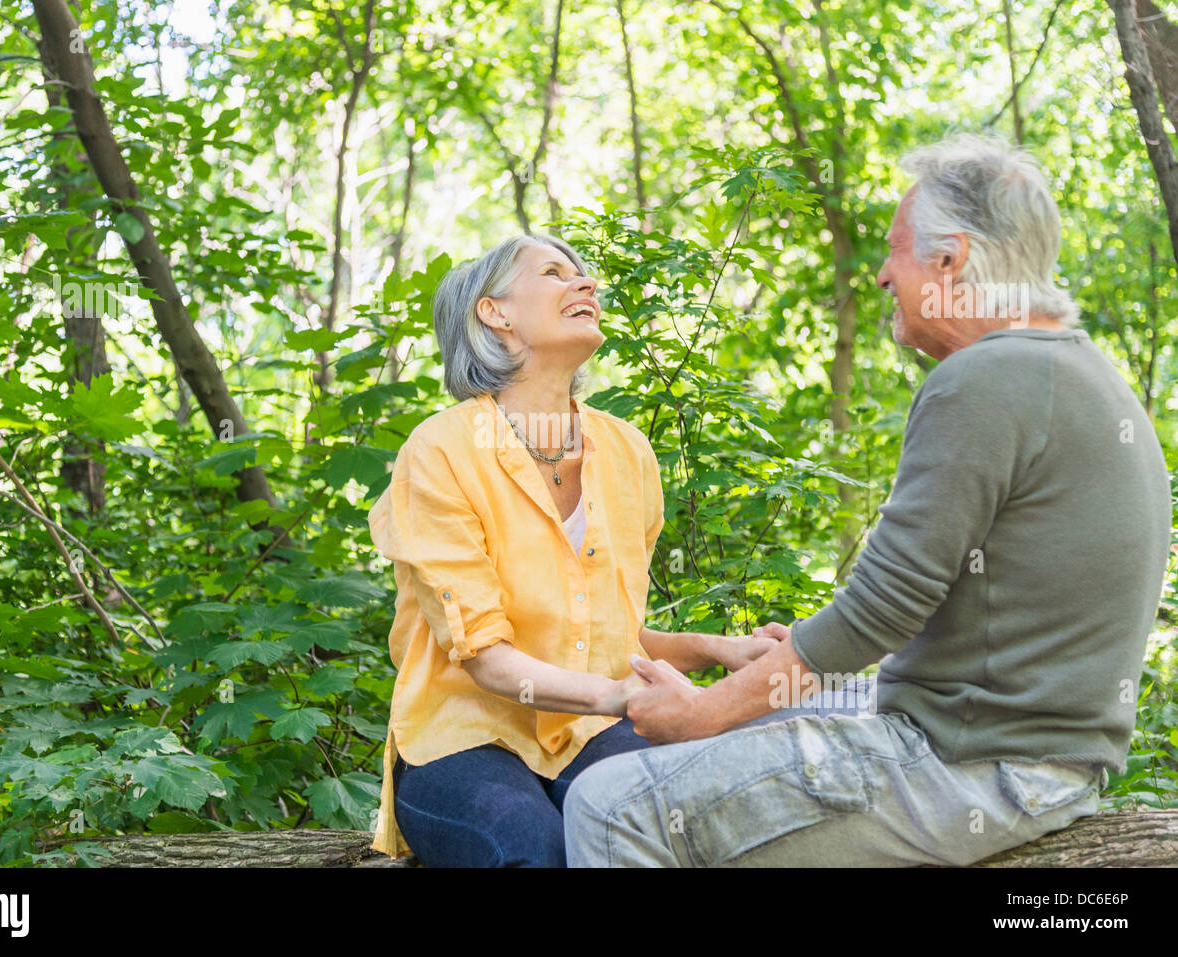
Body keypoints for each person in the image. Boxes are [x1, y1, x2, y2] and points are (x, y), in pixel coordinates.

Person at [562, 133, 1173, 867]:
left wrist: (703, 714)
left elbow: (884, 606)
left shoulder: (986, 380)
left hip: (977, 767)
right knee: (755, 716)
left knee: (607, 806)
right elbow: (959, 613)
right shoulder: (1078, 373)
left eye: (896, 250)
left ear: (950, 263)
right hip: (1024, 754)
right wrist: (790, 666)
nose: (883, 275)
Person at [367, 233, 776, 866]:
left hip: (591, 731)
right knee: (541, 851)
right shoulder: (440, 450)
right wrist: (622, 698)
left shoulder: (628, 452)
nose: (584, 284)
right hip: (464, 739)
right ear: (494, 313)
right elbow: (486, 658)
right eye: (555, 273)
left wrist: (721, 650)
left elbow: (607, 638)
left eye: (582, 274)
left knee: (687, 831)